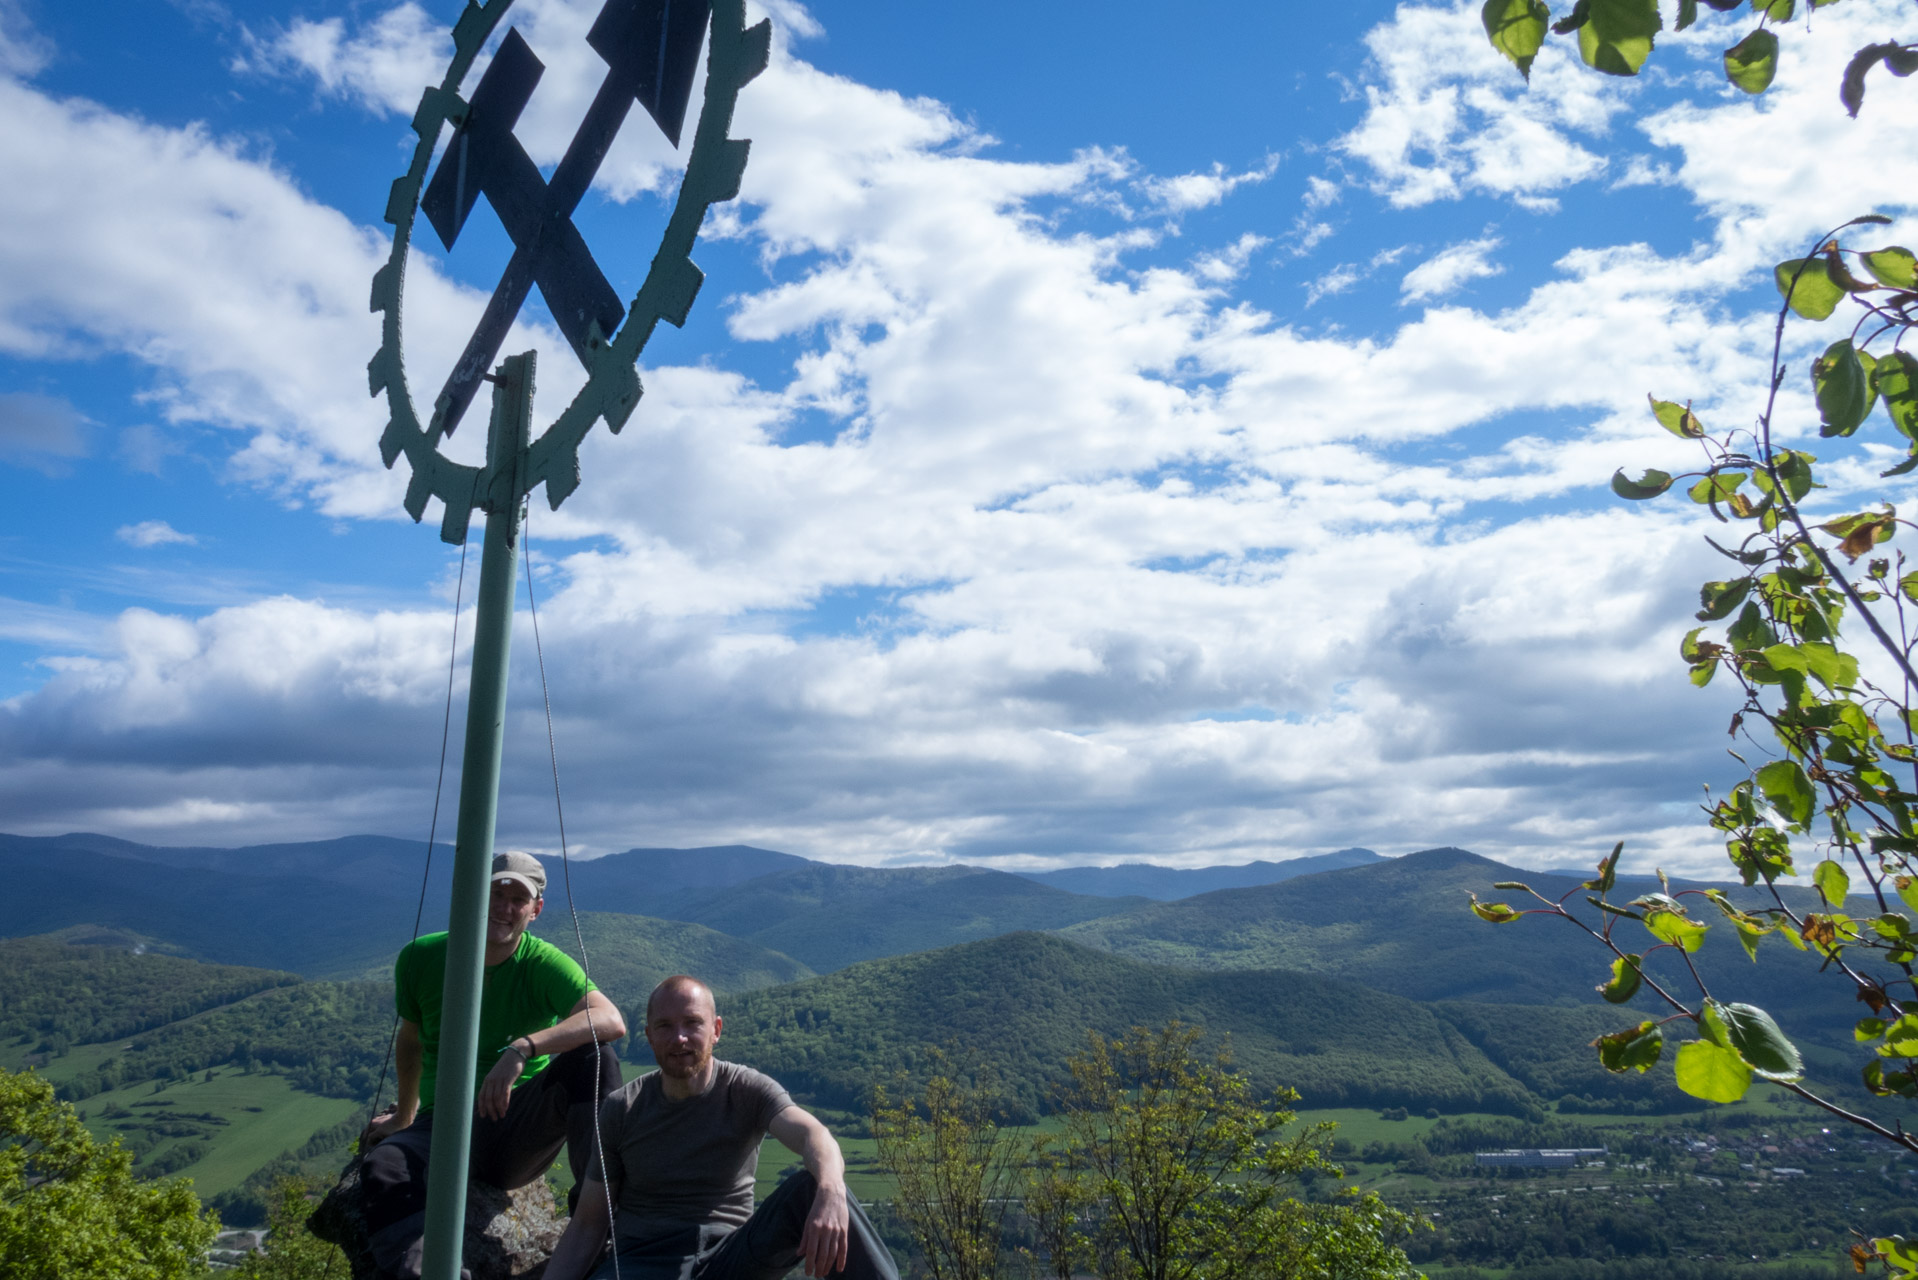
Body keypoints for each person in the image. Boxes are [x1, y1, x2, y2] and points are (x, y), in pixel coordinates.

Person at [359, 850, 628, 1280]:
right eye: (495, 892)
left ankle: (597, 1226)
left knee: (594, 1057)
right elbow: (410, 1042)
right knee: (384, 1166)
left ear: (535, 910)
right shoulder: (421, 958)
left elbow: (610, 1020)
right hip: (440, 1126)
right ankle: (428, 1273)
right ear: (472, 896)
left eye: (518, 899)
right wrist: (405, 1117)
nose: (504, 908)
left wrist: (522, 1049)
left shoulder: (541, 963)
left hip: (514, 1128)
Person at [542, 975, 899, 1280]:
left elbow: (812, 1135)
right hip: (643, 1264)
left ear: (716, 1030)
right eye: (665, 1026)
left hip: (731, 1257)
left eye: (692, 1023)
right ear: (649, 1036)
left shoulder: (745, 1089)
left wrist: (831, 1192)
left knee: (813, 1188)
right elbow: (588, 1226)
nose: (679, 1037)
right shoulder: (622, 1108)